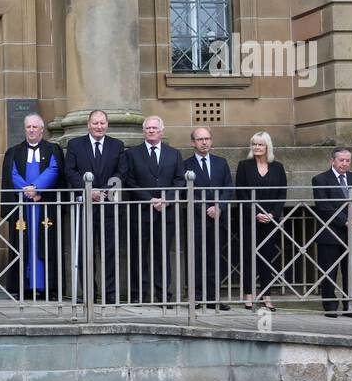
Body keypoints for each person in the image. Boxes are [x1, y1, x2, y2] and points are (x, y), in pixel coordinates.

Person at [64, 110, 126, 304]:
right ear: (88, 124)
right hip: (85, 206)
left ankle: (109, 294)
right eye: (95, 123)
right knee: (85, 251)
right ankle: (90, 292)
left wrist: (104, 191)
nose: (99, 127)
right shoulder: (75, 144)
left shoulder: (117, 145)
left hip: (108, 207)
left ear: (107, 125)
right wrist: (88, 190)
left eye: (102, 123)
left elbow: (121, 171)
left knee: (109, 251)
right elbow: (70, 171)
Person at [122, 116, 185, 304]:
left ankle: (163, 294)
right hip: (140, 213)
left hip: (166, 214)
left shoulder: (174, 154)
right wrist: (149, 199)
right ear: (143, 131)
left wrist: (166, 200)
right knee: (138, 254)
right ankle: (138, 294)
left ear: (162, 131)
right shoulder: (132, 154)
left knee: (162, 254)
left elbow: (180, 181)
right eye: (148, 128)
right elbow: (129, 181)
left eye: (154, 128)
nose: (151, 131)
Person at [0, 113, 64, 299]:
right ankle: (23, 287)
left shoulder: (53, 149)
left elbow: (54, 170)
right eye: (28, 127)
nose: (31, 130)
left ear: (42, 130)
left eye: (35, 127)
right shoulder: (14, 151)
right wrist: (27, 191)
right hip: (23, 206)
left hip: (43, 206)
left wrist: (37, 189)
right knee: (23, 244)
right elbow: (11, 174)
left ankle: (47, 287)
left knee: (46, 244)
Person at [312, 147, 352, 319]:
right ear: (332, 161)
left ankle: (350, 305)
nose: (344, 163)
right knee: (329, 270)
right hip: (330, 233)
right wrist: (345, 220)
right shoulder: (320, 179)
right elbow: (324, 206)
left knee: (350, 271)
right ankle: (330, 305)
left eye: (347, 160)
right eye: (341, 160)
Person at [234, 131, 287, 310]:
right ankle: (249, 295)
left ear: (267, 147)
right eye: (254, 144)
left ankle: (266, 296)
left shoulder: (278, 167)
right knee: (249, 257)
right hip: (250, 219)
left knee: (267, 258)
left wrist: (273, 214)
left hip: (270, 221)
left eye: (260, 144)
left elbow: (282, 193)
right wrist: (255, 213)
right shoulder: (244, 166)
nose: (256, 147)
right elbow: (240, 193)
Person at [183, 128, 233, 310]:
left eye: (207, 139)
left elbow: (228, 187)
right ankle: (195, 297)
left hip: (218, 219)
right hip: (196, 219)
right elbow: (186, 191)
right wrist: (205, 207)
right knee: (196, 257)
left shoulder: (221, 162)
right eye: (200, 139)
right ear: (193, 143)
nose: (204, 142)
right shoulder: (186, 165)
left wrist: (219, 206)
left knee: (215, 258)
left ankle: (214, 297)